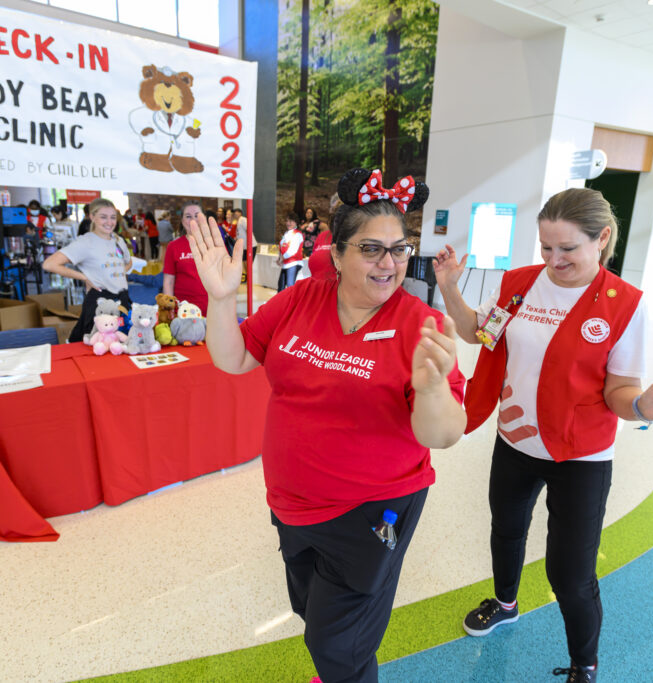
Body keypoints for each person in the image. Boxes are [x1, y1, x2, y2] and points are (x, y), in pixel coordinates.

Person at [187, 167, 467, 683]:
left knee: (337, 640)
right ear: (336, 254)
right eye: (371, 249)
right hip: (292, 505)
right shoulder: (300, 299)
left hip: (371, 509)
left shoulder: (416, 323)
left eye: (399, 248)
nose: (389, 263)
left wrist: (431, 389)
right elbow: (234, 359)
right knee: (312, 610)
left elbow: (442, 435)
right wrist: (221, 299)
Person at [433, 188, 653, 683]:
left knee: (570, 576)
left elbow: (621, 390)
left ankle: (584, 663)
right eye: (546, 247)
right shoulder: (519, 284)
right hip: (514, 441)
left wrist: (645, 407)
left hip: (581, 455)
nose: (554, 260)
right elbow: (480, 334)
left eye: (568, 249)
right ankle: (506, 602)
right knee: (506, 530)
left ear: (601, 240)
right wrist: (450, 286)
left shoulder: (624, 305)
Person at [42, 197, 132, 343]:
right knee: (97, 347)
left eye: (113, 217)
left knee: (121, 345)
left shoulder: (118, 240)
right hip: (100, 302)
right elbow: (50, 264)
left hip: (122, 300)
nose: (109, 222)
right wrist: (84, 277)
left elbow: (128, 262)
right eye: (103, 217)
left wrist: (118, 274)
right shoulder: (85, 242)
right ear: (92, 217)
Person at [162, 202, 210, 315]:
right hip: (183, 309)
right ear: (182, 220)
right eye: (188, 216)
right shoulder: (173, 246)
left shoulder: (213, 244)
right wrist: (169, 308)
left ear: (204, 218)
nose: (193, 220)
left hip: (211, 308)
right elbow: (168, 281)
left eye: (197, 216)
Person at [277, 212, 304, 291]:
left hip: (294, 263)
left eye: (291, 221)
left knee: (290, 286)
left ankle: (292, 303)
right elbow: (281, 246)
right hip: (286, 263)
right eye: (287, 221)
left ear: (296, 222)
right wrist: (279, 258)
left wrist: (283, 257)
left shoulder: (297, 234)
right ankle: (280, 302)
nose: (288, 223)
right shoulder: (286, 233)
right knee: (281, 286)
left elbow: (293, 250)